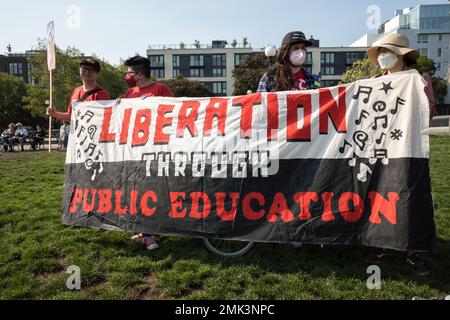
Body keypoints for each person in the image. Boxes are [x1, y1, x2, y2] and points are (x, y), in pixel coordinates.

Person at [365, 33, 435, 276]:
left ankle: (412, 250)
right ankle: (380, 243)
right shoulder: (374, 81)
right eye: (381, 52)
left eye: (388, 52)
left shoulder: (418, 80)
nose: (384, 56)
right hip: (380, 148)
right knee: (380, 193)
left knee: (408, 194)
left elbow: (429, 112)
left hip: (408, 148)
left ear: (401, 55)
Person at [122, 56, 173, 251]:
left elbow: (174, 114)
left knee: (153, 190)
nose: (127, 76)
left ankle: (150, 233)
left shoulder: (161, 90)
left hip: (156, 149)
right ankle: (145, 230)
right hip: (135, 149)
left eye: (129, 73)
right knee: (138, 189)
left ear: (140, 75)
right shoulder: (129, 93)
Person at [46, 58, 110, 123]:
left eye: (91, 70)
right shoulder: (76, 91)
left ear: (98, 74)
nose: (87, 72)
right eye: (84, 68)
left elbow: (105, 120)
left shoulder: (101, 94)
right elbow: (71, 116)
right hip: (77, 132)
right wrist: (55, 114)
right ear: (79, 70)